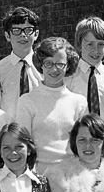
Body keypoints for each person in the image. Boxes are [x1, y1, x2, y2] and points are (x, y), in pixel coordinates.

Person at [15, 37, 87, 176]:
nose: (54, 69)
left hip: (71, 175)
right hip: (39, 176)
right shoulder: (27, 101)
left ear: (68, 66)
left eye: (60, 64)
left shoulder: (79, 102)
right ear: (41, 64)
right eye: (48, 63)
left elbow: (83, 144)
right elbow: (23, 144)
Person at [0, 7, 42, 118]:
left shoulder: (45, 68)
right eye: (16, 30)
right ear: (7, 36)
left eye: (28, 30)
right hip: (9, 131)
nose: (23, 35)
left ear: (36, 34)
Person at [65, 17, 104, 117]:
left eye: (101, 44)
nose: (96, 50)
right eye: (90, 44)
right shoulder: (68, 77)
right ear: (79, 44)